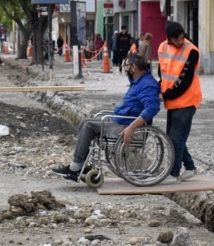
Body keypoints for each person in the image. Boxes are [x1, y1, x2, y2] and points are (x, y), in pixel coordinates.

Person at [51, 53, 160, 181]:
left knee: (88, 126)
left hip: (126, 126)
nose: (125, 68)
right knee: (85, 121)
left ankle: (75, 167)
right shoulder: (138, 82)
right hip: (121, 121)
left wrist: (131, 128)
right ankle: (80, 164)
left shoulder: (147, 84)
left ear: (134, 67)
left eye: (127, 65)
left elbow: (152, 108)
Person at [158, 21, 202, 182]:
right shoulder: (163, 47)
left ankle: (173, 173)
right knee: (173, 137)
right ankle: (190, 167)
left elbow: (185, 81)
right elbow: (162, 73)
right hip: (173, 101)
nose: (180, 42)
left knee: (176, 138)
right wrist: (159, 88)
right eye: (176, 39)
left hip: (187, 100)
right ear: (169, 38)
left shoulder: (192, 51)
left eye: (182, 38)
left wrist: (166, 94)